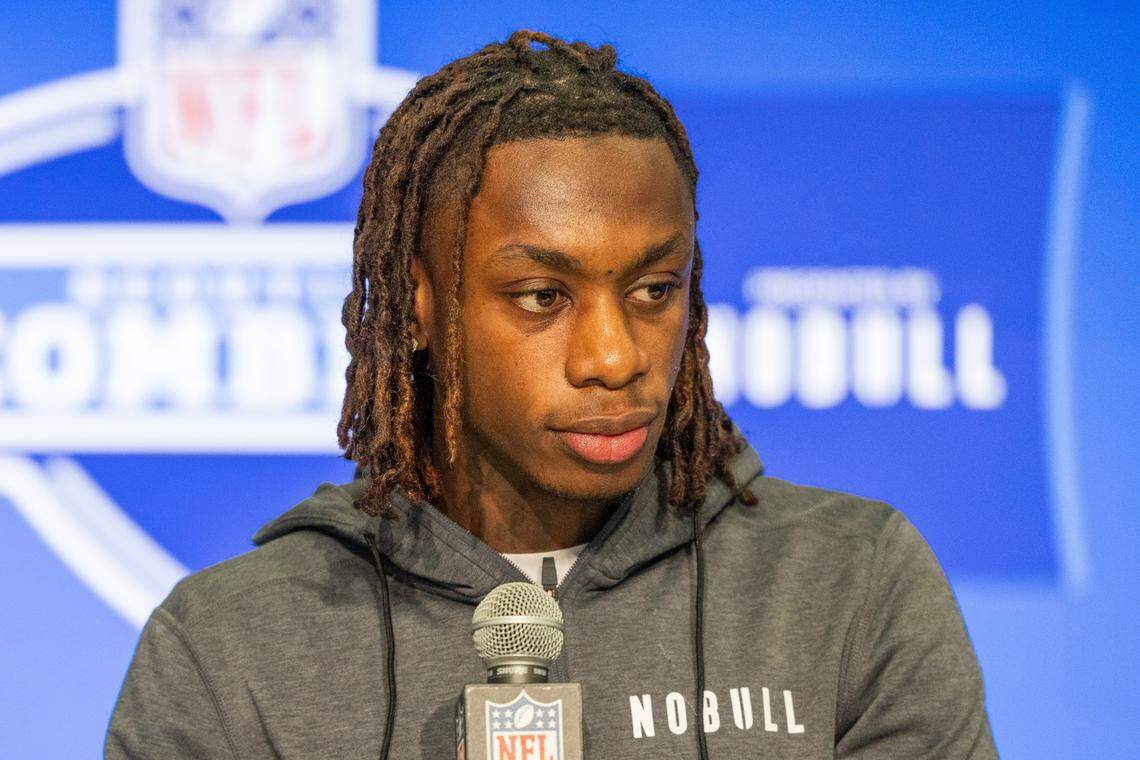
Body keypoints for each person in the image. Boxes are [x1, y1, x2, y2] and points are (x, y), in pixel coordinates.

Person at [105, 30, 997, 759]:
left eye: (655, 290)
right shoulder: (231, 648)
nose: (614, 357)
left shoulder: (849, 585)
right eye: (543, 297)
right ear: (422, 309)